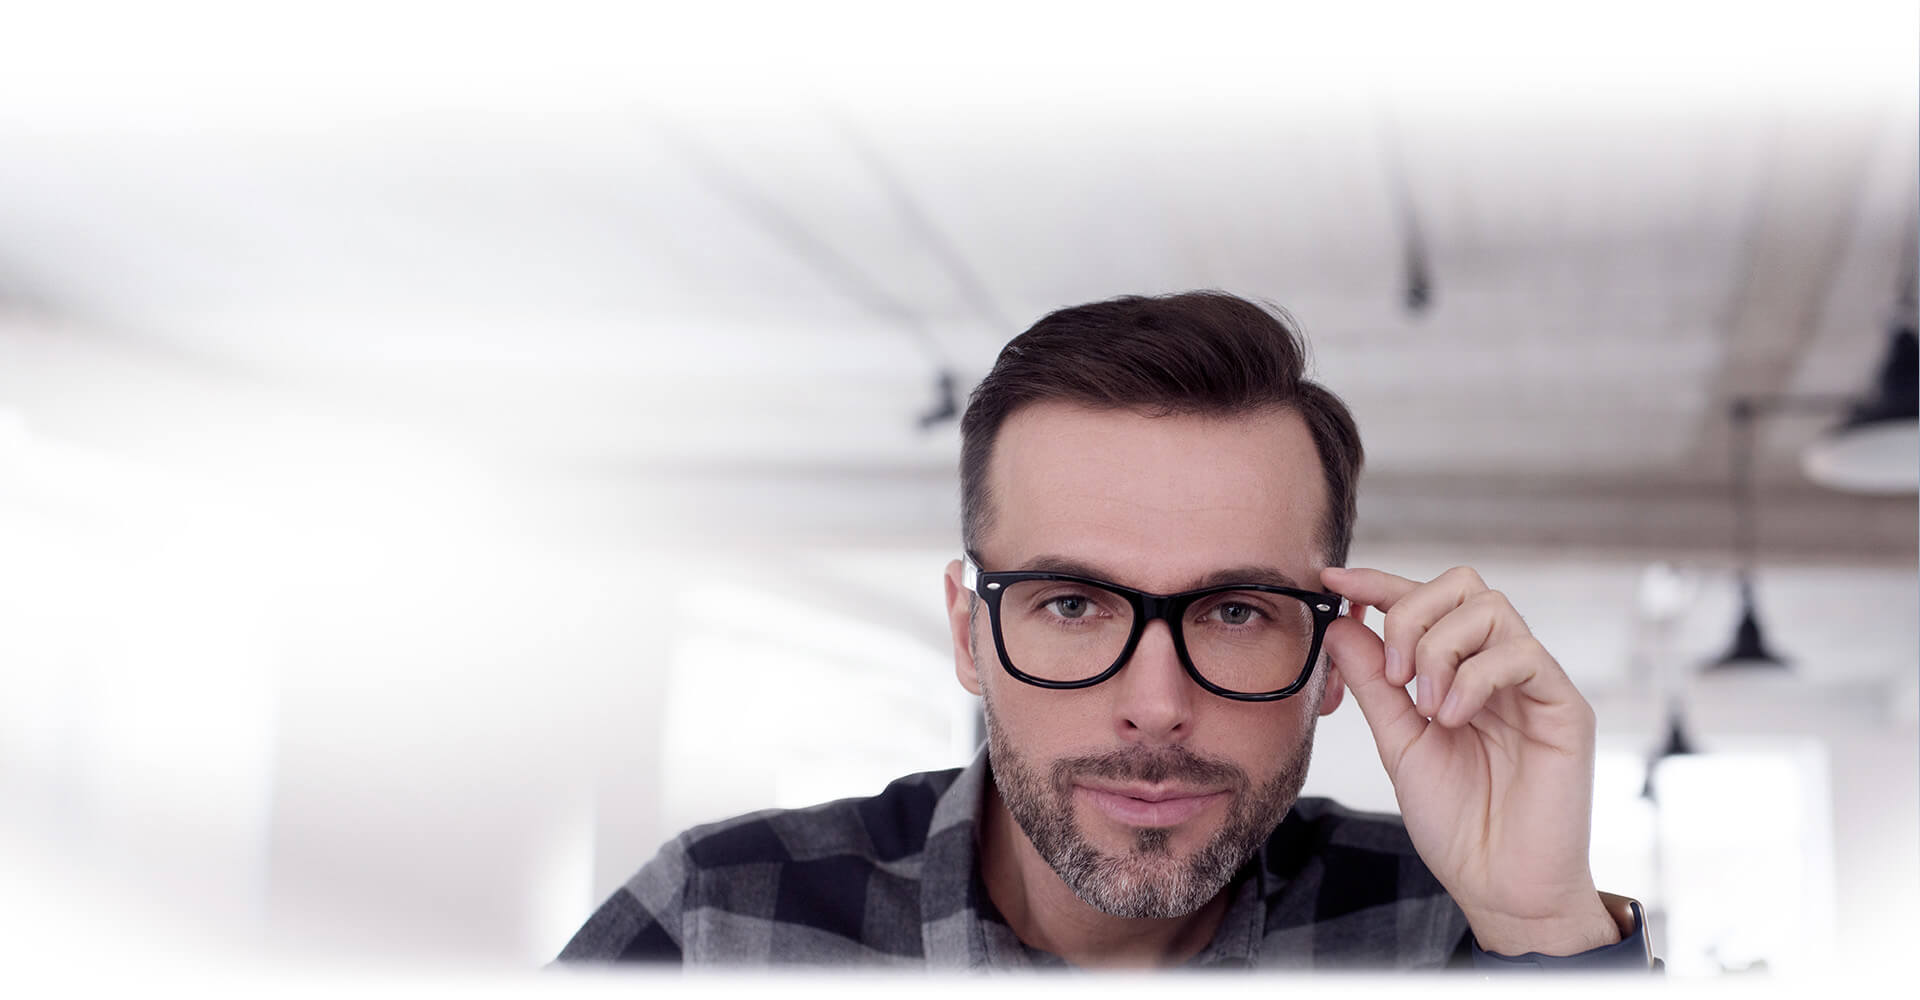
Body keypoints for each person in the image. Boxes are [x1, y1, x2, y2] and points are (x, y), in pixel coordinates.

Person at [554, 291, 1655, 970]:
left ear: (1334, 653)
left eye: (1234, 611)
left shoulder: (1456, 938)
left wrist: (1543, 925)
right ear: (970, 634)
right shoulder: (716, 922)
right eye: (1074, 604)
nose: (1158, 704)